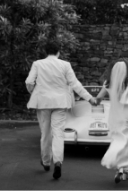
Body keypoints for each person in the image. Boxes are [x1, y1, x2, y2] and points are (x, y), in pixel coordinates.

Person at [25, 41, 97, 180]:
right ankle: (57, 162)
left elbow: (29, 82)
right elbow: (75, 84)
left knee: (45, 133)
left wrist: (34, 92)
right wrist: (90, 98)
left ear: (46, 52)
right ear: (58, 52)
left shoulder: (37, 64)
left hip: (43, 103)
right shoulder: (65, 65)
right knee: (58, 133)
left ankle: (46, 162)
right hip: (60, 102)